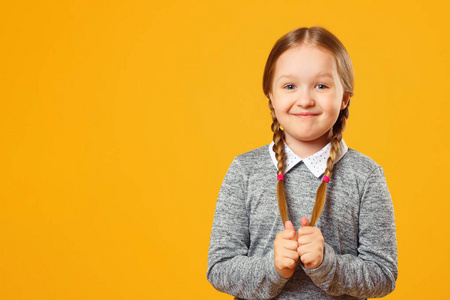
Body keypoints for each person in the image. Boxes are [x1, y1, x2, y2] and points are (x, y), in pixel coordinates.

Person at [207, 26, 398, 300]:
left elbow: (383, 275)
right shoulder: (244, 171)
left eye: (321, 85)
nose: (305, 100)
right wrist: (272, 268)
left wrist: (327, 264)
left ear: (344, 96)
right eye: (289, 86)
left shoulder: (366, 176)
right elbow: (219, 268)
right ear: (271, 97)